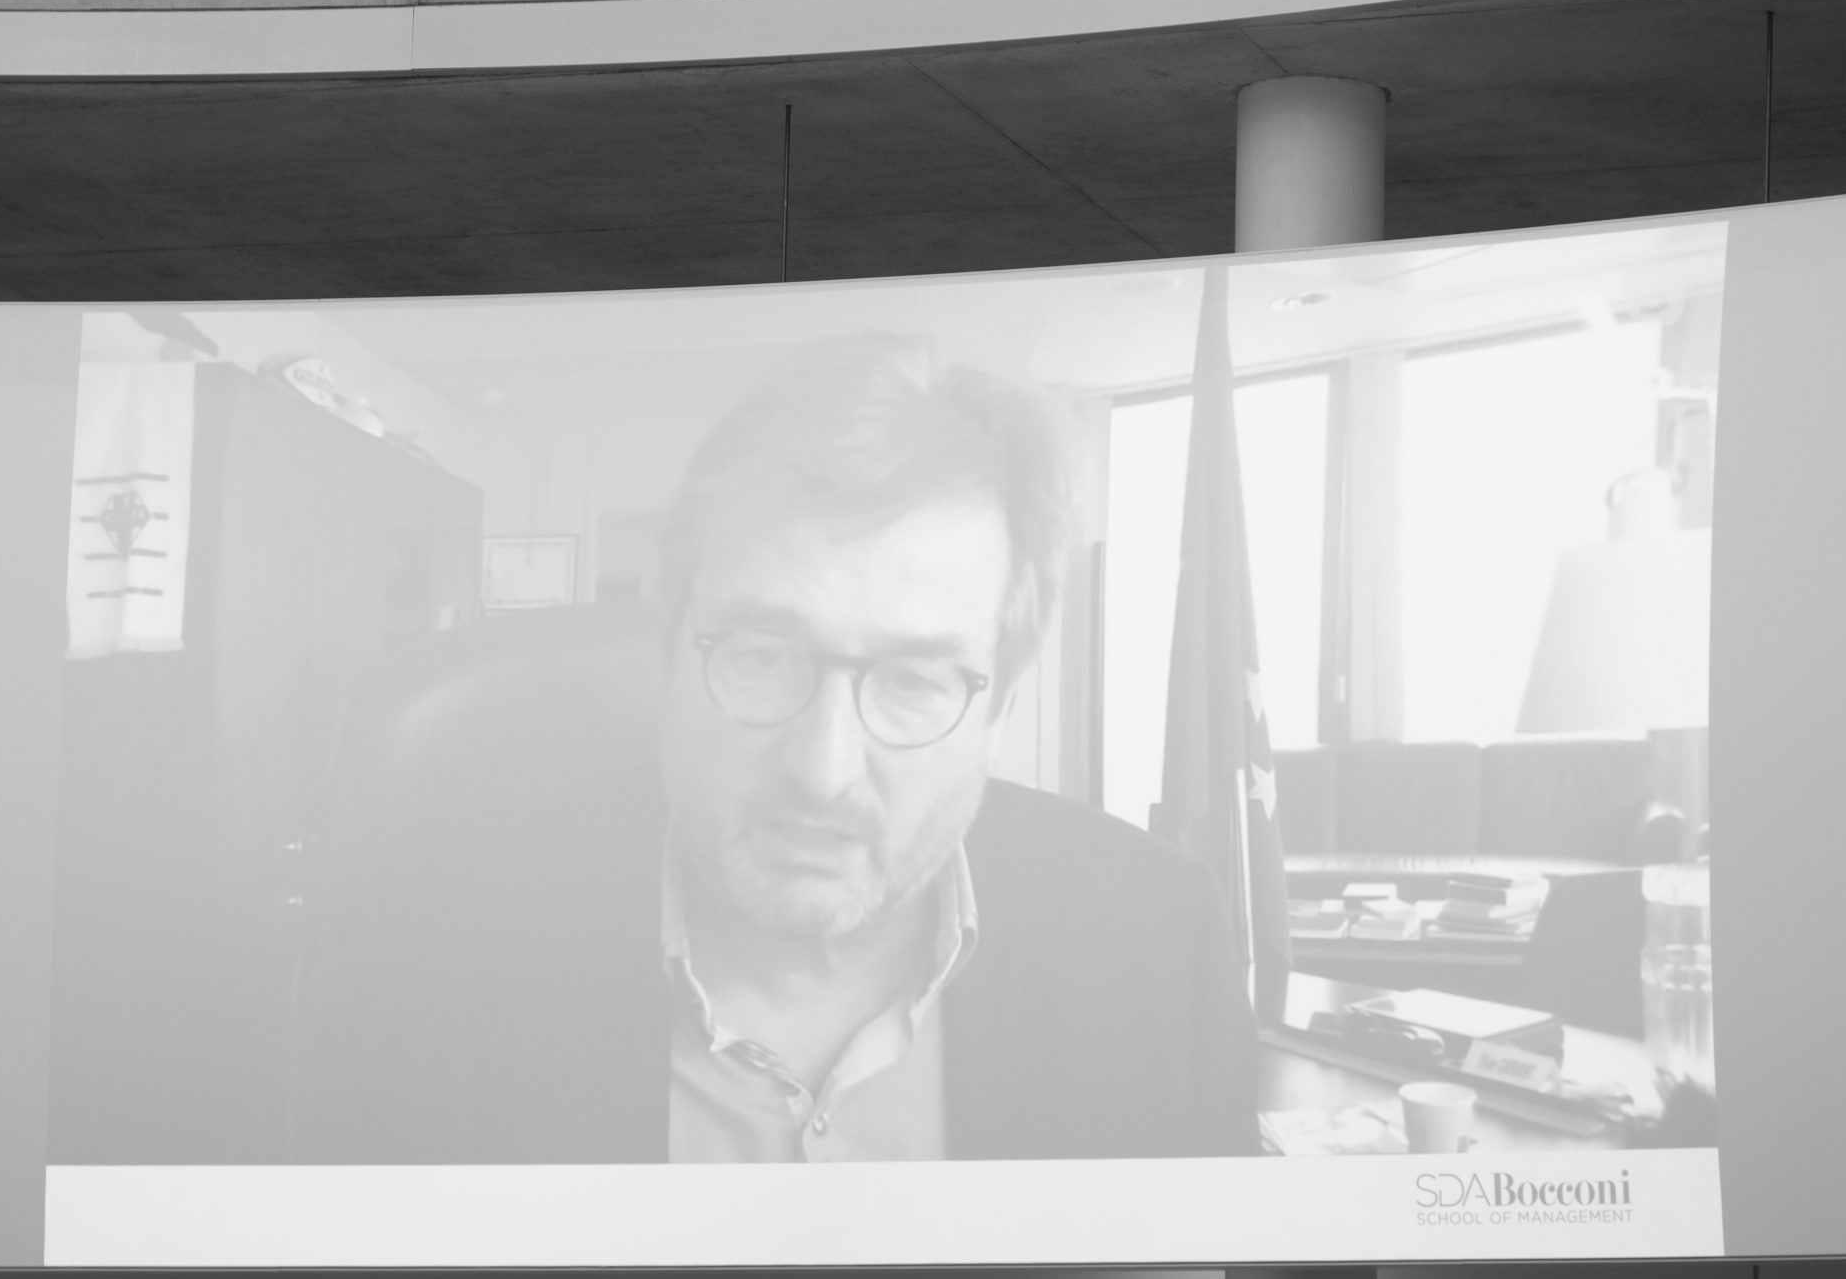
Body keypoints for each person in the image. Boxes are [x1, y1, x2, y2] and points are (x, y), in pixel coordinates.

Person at [293, 340, 1262, 1164]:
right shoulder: (434, 956)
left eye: (913, 681)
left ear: (999, 708)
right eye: (762, 656)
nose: (823, 770)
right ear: (668, 653)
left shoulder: (1157, 955)